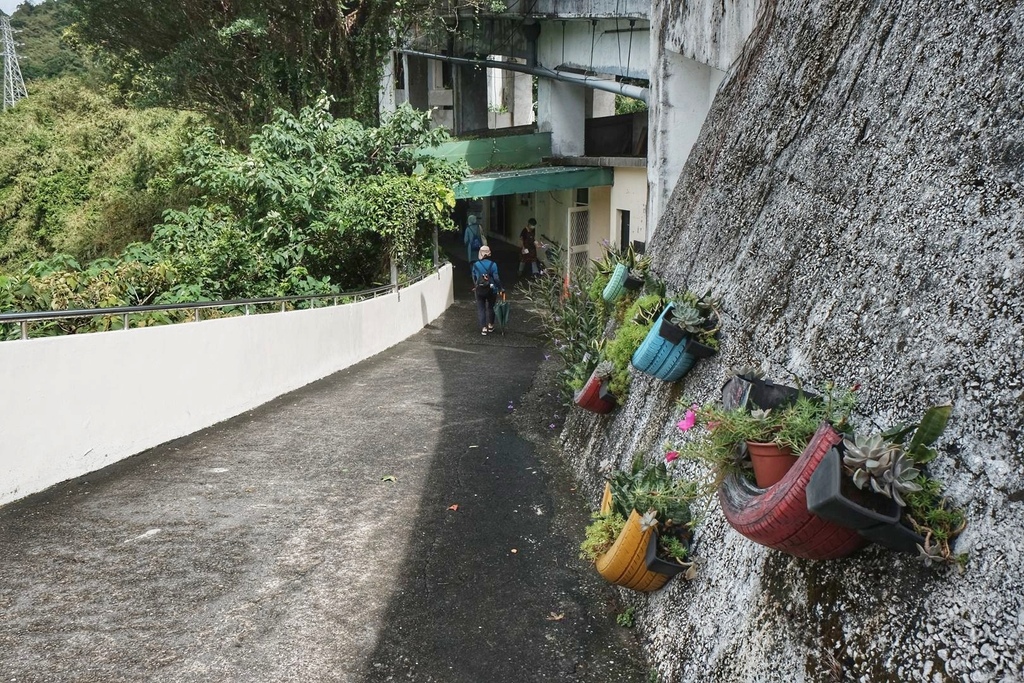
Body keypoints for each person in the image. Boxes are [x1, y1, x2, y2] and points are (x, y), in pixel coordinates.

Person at [472, 245, 503, 335]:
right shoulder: (493, 264)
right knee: (491, 307)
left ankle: (483, 328)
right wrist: (500, 288)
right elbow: (496, 278)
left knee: (481, 308)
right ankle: (491, 325)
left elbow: (474, 277)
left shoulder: (475, 265)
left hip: (480, 288)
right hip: (491, 288)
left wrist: (475, 285)